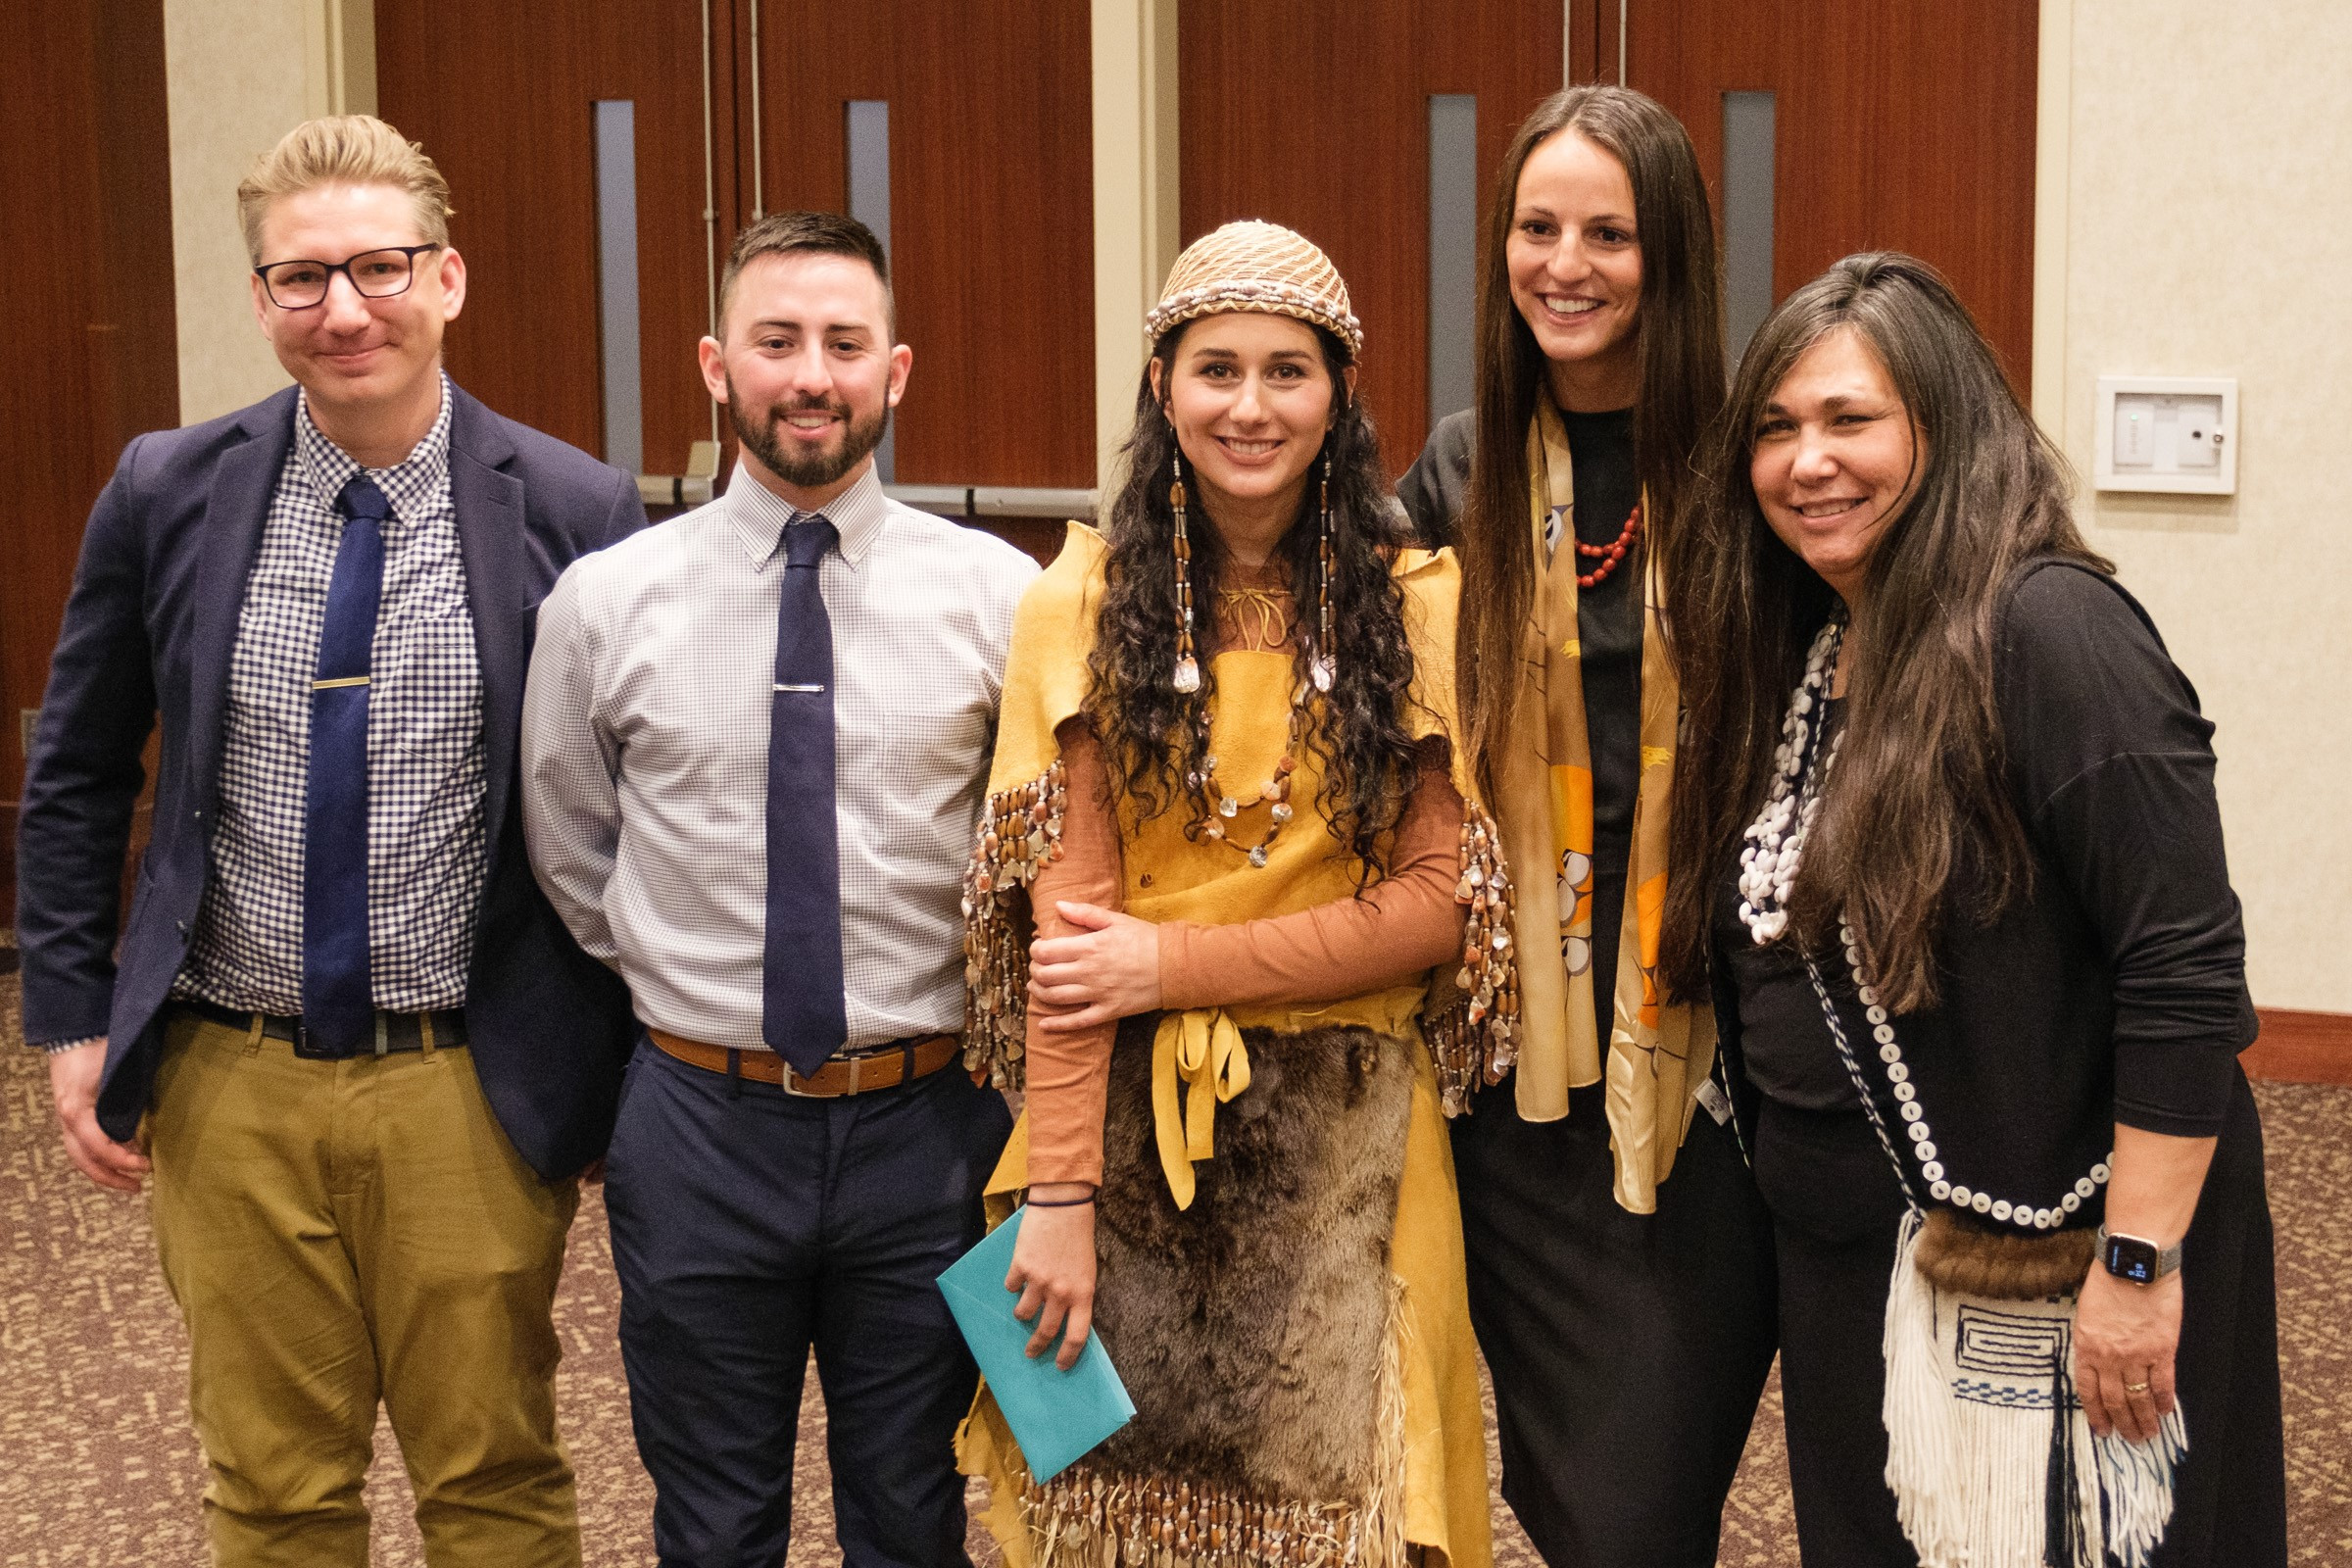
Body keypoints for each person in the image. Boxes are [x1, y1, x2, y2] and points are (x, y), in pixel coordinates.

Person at [15, 116, 643, 1566]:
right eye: (303, 279)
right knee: (273, 1488)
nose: (344, 309)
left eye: (379, 267)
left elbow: (627, 797)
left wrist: (616, 1051)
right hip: (230, 1077)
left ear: (450, 279)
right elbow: (80, 765)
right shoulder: (167, 489)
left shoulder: (574, 508)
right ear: (261, 300)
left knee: (494, 1478)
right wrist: (65, 1019)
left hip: (463, 1081)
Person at [1661, 251, 2286, 1565]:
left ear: (1944, 432)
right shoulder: (1826, 645)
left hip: (2069, 1264)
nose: (1806, 462)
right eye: (1775, 429)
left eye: (1849, 420)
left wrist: (2136, 1269)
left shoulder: (2054, 629)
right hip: (1864, 1262)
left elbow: (2185, 969)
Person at [956, 220, 1501, 1568]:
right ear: (1161, 386)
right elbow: (1070, 944)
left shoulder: (1419, 599)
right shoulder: (1073, 604)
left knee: (1364, 1528)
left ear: (1340, 396)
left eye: (1288, 372)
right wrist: (1062, 1206)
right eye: (1216, 370)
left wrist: (1174, 968)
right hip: (1112, 1138)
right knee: (1090, 1526)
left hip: (1364, 1143)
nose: (1250, 407)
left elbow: (1442, 906)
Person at [521, 209, 1036, 1567]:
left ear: (897, 370)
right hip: (700, 1125)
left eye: (844, 344)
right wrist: (678, 982)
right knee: (711, 1521)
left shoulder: (1002, 599)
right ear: (715, 363)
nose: (811, 374)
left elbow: (1035, 860)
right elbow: (574, 853)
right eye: (777, 341)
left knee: (915, 1512)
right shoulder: (605, 601)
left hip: (932, 1125)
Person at [1397, 85, 1777, 1566]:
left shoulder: (1749, 459)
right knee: (1572, 1503)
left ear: (1668, 249)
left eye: (1609, 233)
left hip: (1708, 1054)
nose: (1569, 263)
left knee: (1638, 1503)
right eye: (1539, 227)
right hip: (1515, 1072)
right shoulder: (1457, 470)